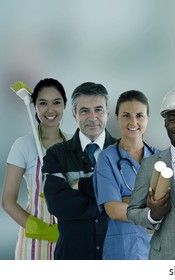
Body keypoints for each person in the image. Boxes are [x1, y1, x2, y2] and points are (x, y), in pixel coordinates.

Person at [127, 86, 175, 259]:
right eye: (172, 119)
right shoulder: (150, 165)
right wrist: (153, 215)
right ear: (165, 124)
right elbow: (132, 211)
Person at [43, 82, 117, 260]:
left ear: (107, 113)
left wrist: (80, 185)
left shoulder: (125, 153)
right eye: (84, 111)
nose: (93, 117)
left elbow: (132, 203)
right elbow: (59, 206)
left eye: (98, 110)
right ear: (74, 114)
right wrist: (110, 203)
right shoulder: (56, 155)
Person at [2, 78, 70, 260]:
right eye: (43, 103)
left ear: (64, 105)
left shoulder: (74, 145)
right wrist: (40, 230)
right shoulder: (23, 145)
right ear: (35, 107)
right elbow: (7, 201)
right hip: (32, 244)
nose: (50, 110)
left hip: (69, 238)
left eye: (56, 102)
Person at [93, 90, 159, 259]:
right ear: (117, 117)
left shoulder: (160, 159)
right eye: (126, 115)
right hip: (122, 251)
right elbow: (113, 210)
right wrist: (151, 206)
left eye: (139, 116)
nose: (133, 122)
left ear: (147, 118)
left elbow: (172, 205)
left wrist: (128, 201)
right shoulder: (107, 158)